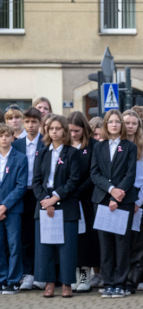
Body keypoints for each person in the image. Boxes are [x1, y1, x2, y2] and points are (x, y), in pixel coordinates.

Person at [31, 115, 81, 298]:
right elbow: (36, 180)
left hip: (66, 203)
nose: (54, 131)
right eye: (51, 128)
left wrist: (55, 199)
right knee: (45, 247)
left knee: (67, 247)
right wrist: (46, 200)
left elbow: (74, 180)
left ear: (64, 131)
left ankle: (66, 284)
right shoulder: (41, 152)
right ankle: (49, 283)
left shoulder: (73, 153)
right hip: (44, 203)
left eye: (58, 128)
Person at [90, 109, 139, 298]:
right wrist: (111, 191)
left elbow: (130, 174)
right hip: (102, 200)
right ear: (105, 124)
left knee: (122, 243)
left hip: (124, 201)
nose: (114, 124)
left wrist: (117, 196)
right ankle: (108, 282)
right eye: (110, 121)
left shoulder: (129, 147)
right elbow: (94, 174)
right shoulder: (98, 147)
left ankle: (120, 283)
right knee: (105, 244)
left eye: (118, 121)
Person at [68, 112, 101, 292]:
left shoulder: (94, 146)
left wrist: (78, 190)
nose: (73, 134)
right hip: (68, 199)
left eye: (77, 131)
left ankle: (85, 275)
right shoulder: (65, 146)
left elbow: (93, 173)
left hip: (87, 199)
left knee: (87, 239)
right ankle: (73, 273)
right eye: (71, 131)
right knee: (72, 238)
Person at [122, 110, 143, 293]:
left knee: (137, 243)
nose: (131, 126)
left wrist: (138, 202)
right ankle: (118, 279)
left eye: (134, 123)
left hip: (138, 197)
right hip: (119, 197)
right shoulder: (117, 145)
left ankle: (131, 281)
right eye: (127, 123)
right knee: (120, 241)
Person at [13, 106, 43, 291]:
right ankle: (28, 273)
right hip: (23, 193)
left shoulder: (46, 143)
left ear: (40, 123)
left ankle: (41, 273)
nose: (30, 125)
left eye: (34, 122)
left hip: (40, 193)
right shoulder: (17, 144)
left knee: (41, 233)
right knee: (25, 236)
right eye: (27, 122)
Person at [0, 124, 28, 294]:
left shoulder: (20, 158)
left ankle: (14, 279)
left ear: (12, 137)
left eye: (7, 135)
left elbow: (21, 185)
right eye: (1, 135)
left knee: (14, 244)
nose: (4, 138)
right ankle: (2, 278)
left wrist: (4, 206)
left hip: (13, 208)